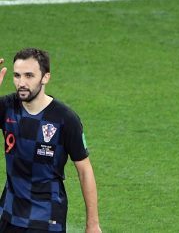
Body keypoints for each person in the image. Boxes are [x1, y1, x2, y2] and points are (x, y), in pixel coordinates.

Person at [0, 48, 102, 233]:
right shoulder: (6, 107)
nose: (21, 83)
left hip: (46, 217)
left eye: (29, 76)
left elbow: (84, 170)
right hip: (8, 213)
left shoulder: (65, 119)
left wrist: (93, 224)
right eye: (17, 75)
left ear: (45, 77)